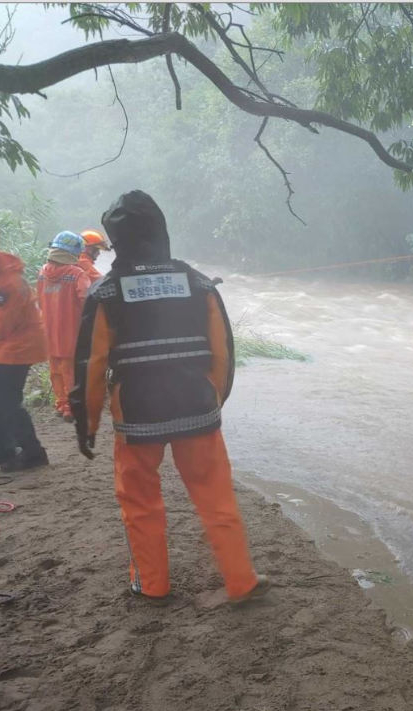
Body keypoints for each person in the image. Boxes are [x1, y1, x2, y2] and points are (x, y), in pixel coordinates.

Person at [70, 190, 268, 604]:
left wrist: (87, 425)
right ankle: (241, 580)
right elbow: (222, 353)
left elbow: (92, 364)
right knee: (216, 497)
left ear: (117, 240)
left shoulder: (106, 293)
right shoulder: (198, 283)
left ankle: (152, 585)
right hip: (196, 404)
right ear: (161, 231)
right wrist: (213, 400)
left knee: (140, 502)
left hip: (136, 413)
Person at [0, 216, 50, 471]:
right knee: (2, 397)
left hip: (18, 344)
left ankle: (12, 449)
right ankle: (23, 450)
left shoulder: (5, 283)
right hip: (7, 343)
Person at [37, 231, 92, 423]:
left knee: (56, 372)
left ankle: (61, 404)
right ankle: (71, 407)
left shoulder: (42, 273)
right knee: (72, 372)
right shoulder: (77, 274)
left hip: (49, 334)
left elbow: (39, 301)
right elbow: (87, 302)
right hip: (71, 335)